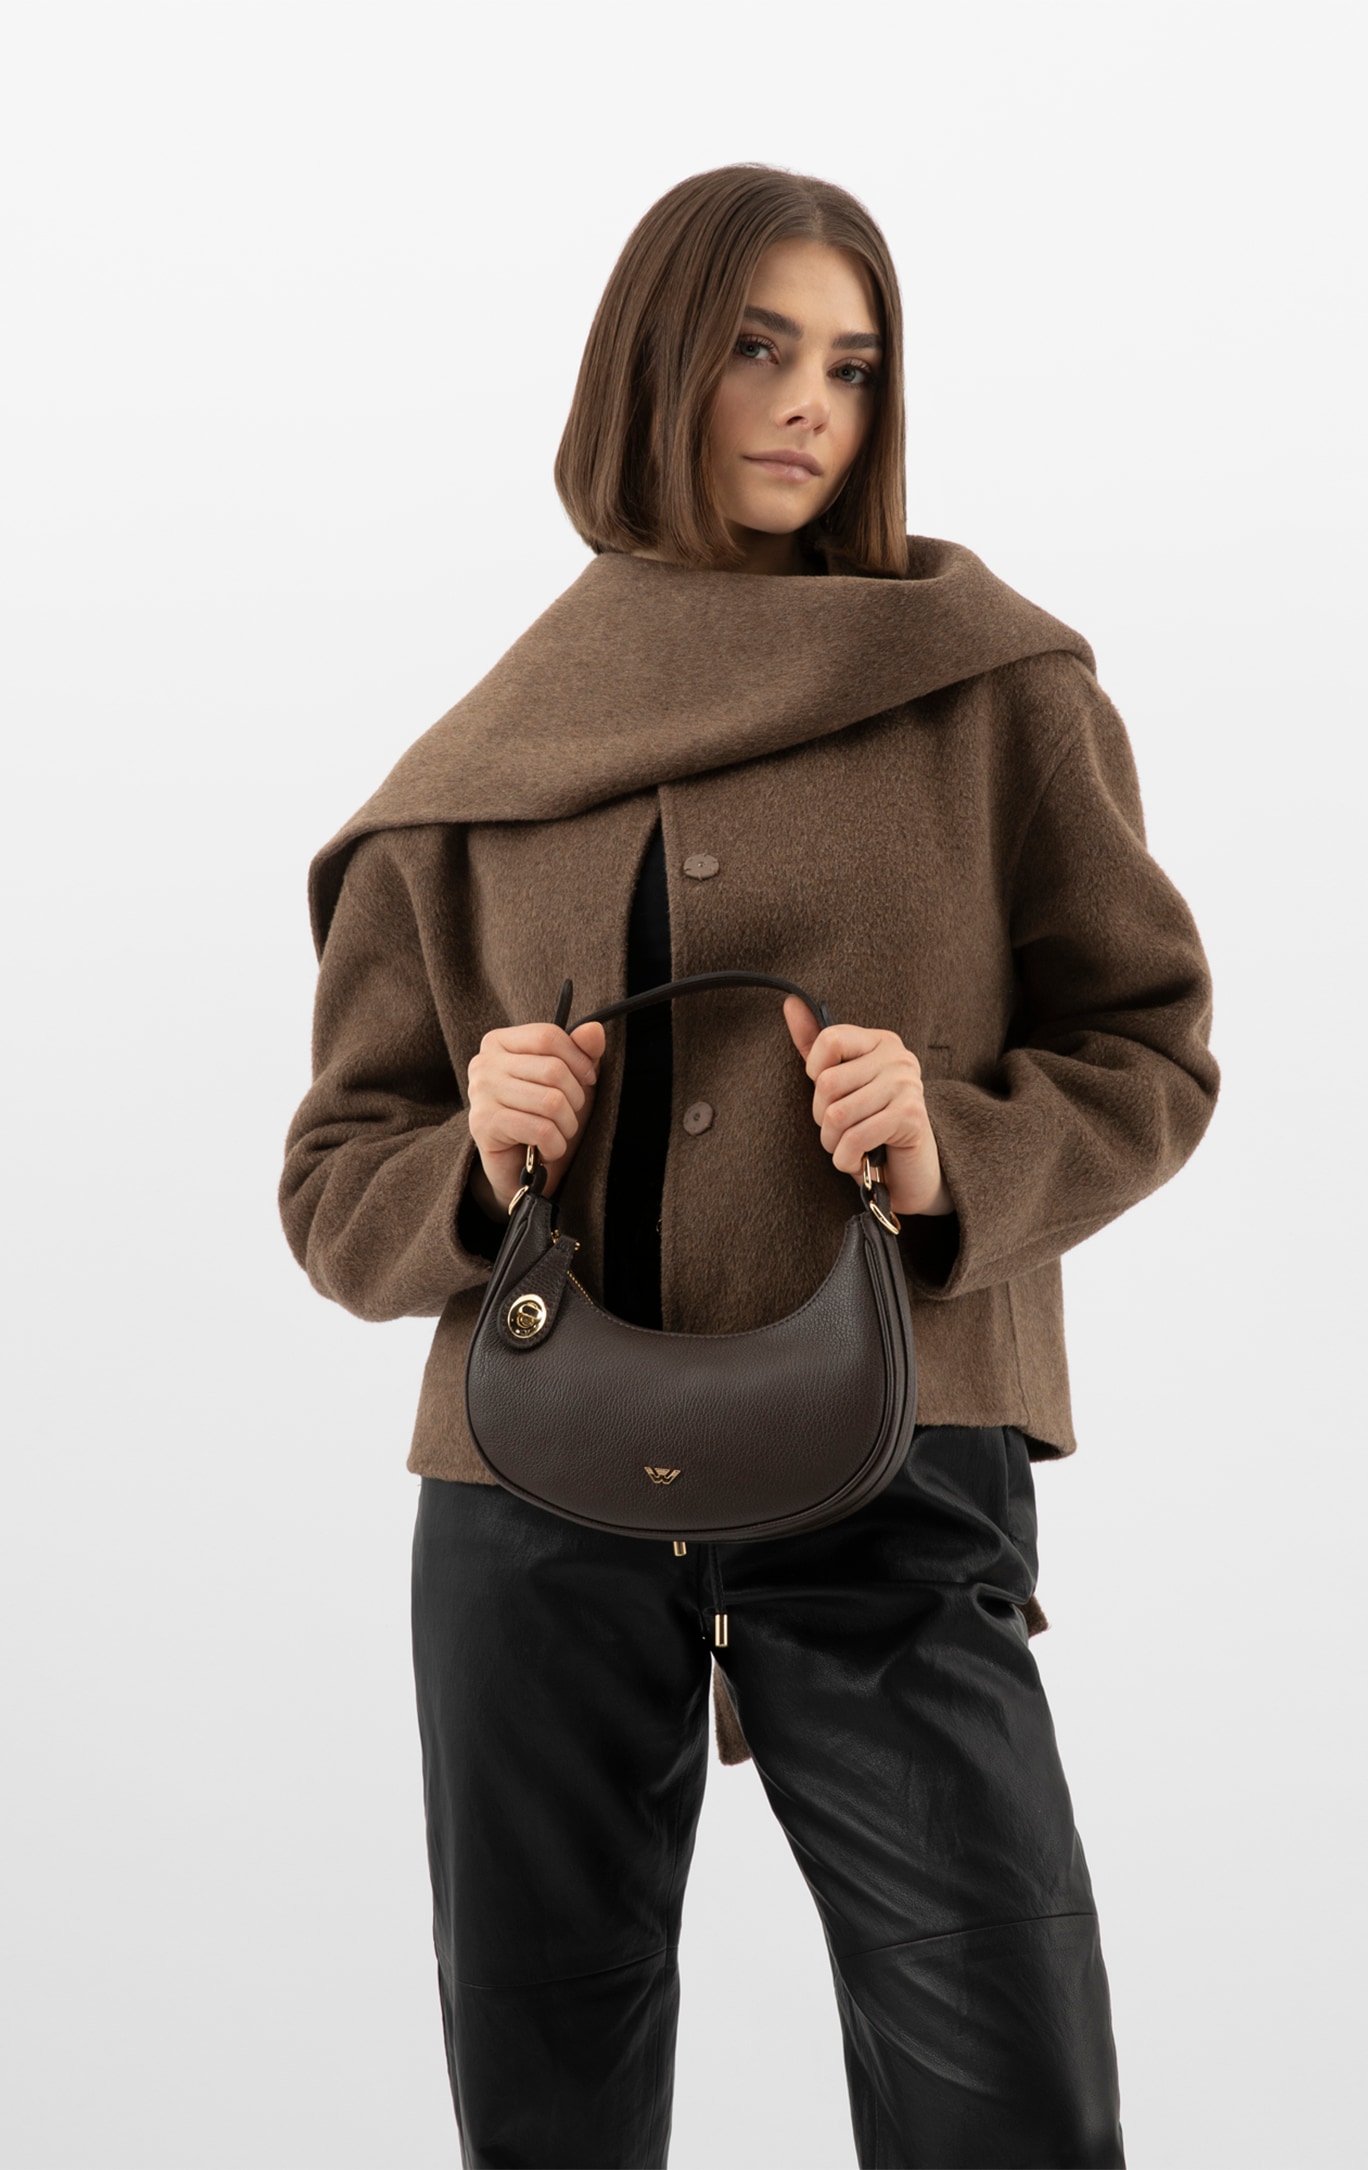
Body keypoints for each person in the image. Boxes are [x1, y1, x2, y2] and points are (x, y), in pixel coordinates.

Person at [279, 162, 1219, 2170]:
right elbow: (337, 1182)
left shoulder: (995, 688)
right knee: (547, 2111)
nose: (811, 403)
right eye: (760, 349)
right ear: (651, 368)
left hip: (896, 1457)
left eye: (854, 365)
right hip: (532, 1497)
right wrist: (477, 1155)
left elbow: (1151, 1047)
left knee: (1013, 2096)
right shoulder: (475, 768)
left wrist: (954, 1144)